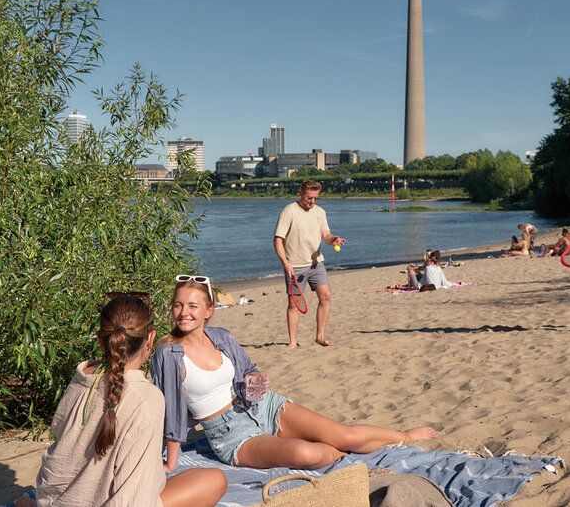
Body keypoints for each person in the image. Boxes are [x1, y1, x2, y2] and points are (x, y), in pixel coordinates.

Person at [152, 278, 440, 471]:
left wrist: (255, 380)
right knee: (308, 455)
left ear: (208, 311)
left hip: (263, 407)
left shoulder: (222, 337)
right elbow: (172, 412)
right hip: (230, 436)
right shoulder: (169, 353)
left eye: (192, 306)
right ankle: (346, 458)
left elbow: (249, 371)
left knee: (346, 434)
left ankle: (404, 436)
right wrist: (170, 463)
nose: (183, 313)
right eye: (178, 305)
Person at [28, 292, 226, 507]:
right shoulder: (146, 398)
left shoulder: (82, 376)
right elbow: (134, 497)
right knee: (214, 480)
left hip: (54, 499)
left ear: (99, 338)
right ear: (150, 338)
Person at [273, 180, 345, 348]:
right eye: (309, 197)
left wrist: (333, 239)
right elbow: (277, 240)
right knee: (293, 304)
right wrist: (285, 263)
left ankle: (320, 336)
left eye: (315, 198)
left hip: (316, 263)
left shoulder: (320, 212)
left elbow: (325, 235)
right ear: (301, 194)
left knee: (326, 296)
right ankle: (292, 342)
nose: (312, 201)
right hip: (294, 266)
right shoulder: (289, 211)